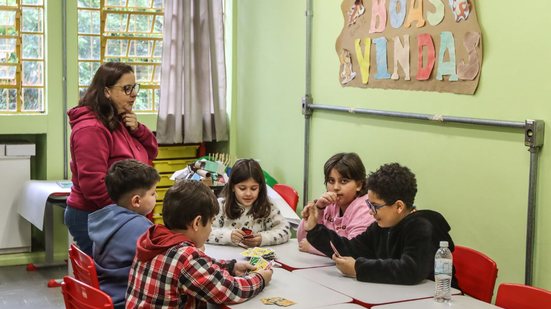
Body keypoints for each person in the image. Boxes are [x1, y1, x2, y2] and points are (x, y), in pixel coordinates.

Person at [302, 163, 457, 286]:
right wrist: (314, 229)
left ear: (399, 206)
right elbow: (349, 248)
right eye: (369, 205)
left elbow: (410, 269)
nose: (370, 212)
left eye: (375, 206)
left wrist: (358, 269)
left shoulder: (423, 226)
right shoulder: (380, 227)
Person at [126, 180, 273, 308]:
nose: (210, 229)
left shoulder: (154, 238)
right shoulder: (185, 257)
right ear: (197, 223)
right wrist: (260, 278)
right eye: (210, 222)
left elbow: (199, 267)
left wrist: (230, 267)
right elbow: (231, 290)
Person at [65, 62, 158, 256]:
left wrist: (138, 129)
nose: (133, 94)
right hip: (95, 214)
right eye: (126, 89)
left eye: (134, 87)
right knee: (115, 274)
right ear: (107, 91)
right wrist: (129, 212)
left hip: (121, 212)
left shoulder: (118, 118)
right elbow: (94, 186)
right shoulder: (91, 129)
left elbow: (151, 153)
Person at [87, 159, 159, 309]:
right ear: (136, 201)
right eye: (152, 193)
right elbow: (164, 261)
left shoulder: (106, 218)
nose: (156, 196)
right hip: (126, 299)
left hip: (105, 294)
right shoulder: (142, 227)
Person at [297, 152, 374, 256]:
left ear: (359, 185)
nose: (336, 187)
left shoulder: (365, 209)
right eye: (331, 181)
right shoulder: (328, 204)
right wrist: (318, 210)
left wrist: (313, 247)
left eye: (343, 181)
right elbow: (302, 240)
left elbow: (352, 251)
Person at [207, 159, 291, 247]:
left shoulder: (267, 206)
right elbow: (203, 232)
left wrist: (263, 238)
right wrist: (228, 236)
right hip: (226, 258)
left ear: (260, 188)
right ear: (232, 187)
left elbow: (285, 231)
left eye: (254, 188)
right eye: (242, 188)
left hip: (259, 258)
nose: (248, 194)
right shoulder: (221, 205)